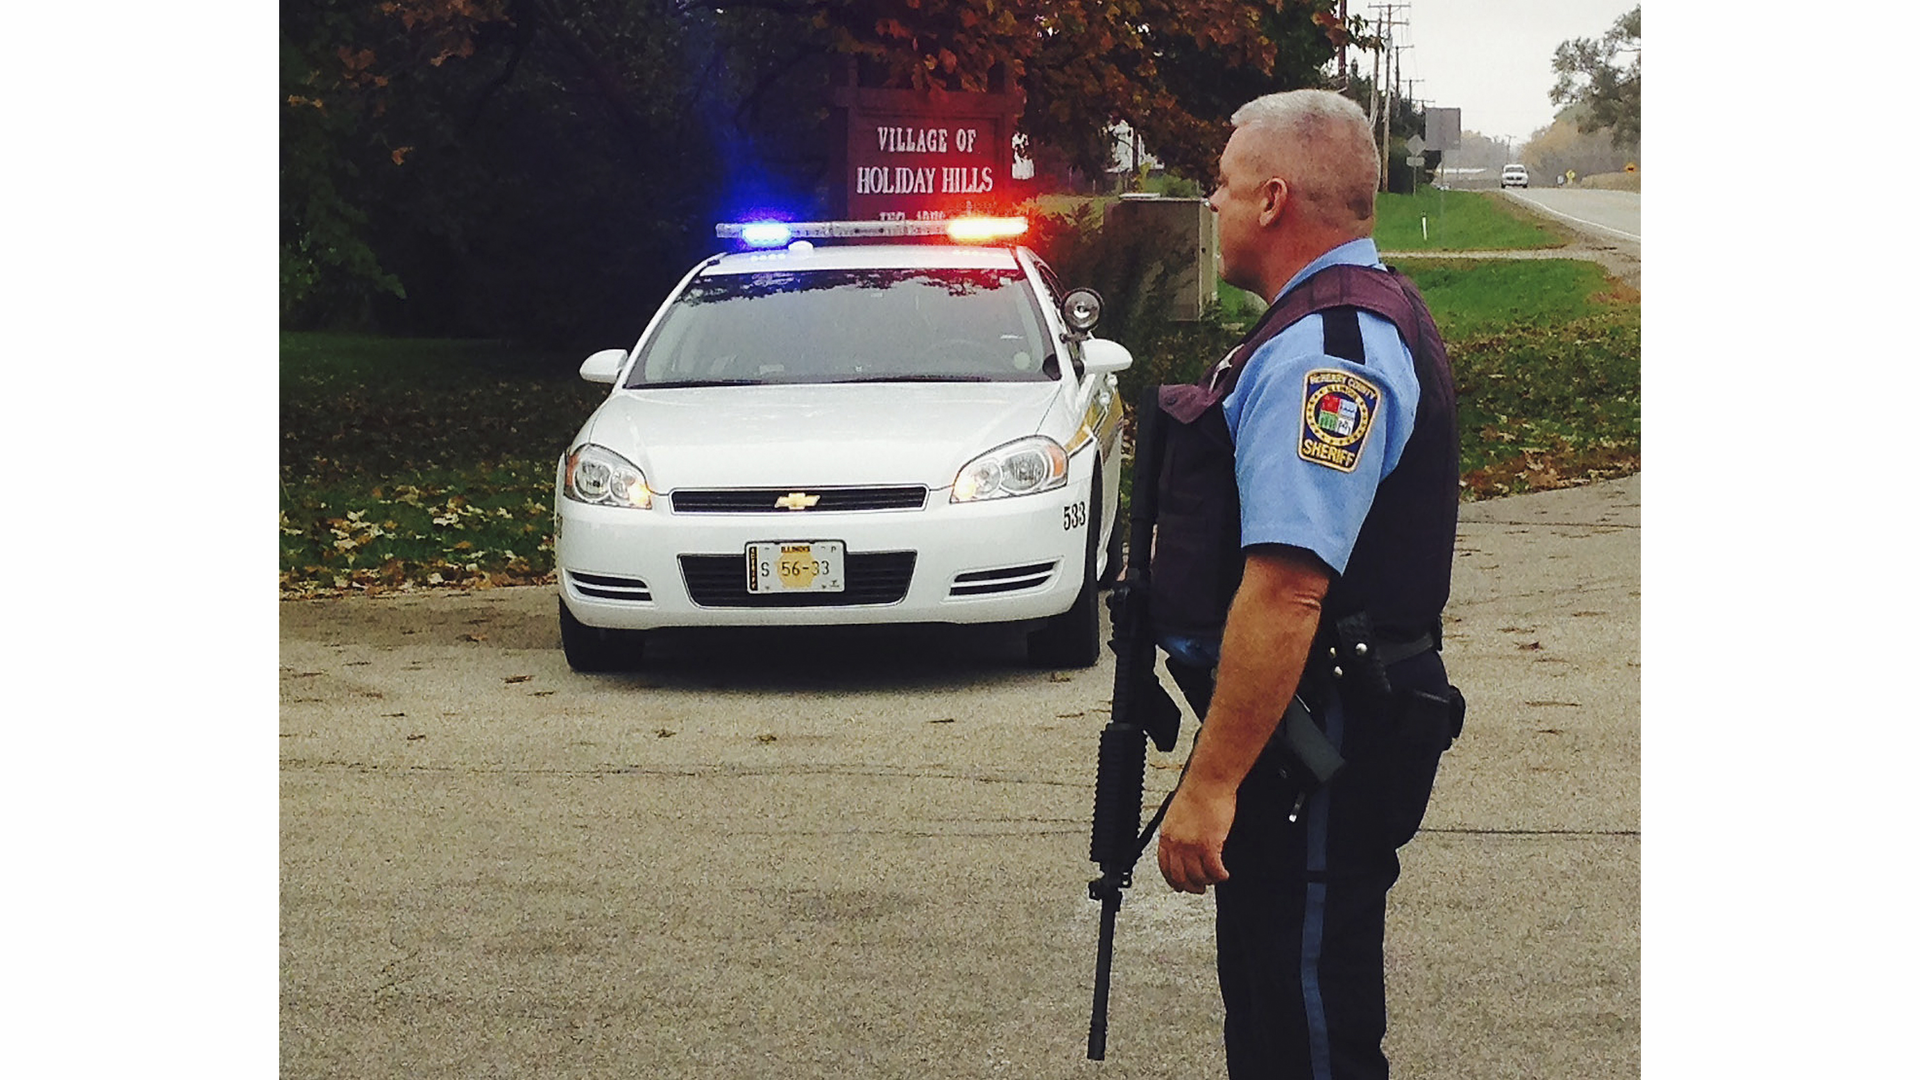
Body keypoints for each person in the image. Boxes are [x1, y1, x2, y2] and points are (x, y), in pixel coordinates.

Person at [1149, 89, 1463, 1079]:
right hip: (1305, 734)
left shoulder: (1331, 356)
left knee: (1310, 1034)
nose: (1212, 203)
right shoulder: (1324, 325)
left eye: (1226, 185)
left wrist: (1210, 785)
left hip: (1321, 745)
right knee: (1275, 1018)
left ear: (1274, 198)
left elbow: (1289, 591)